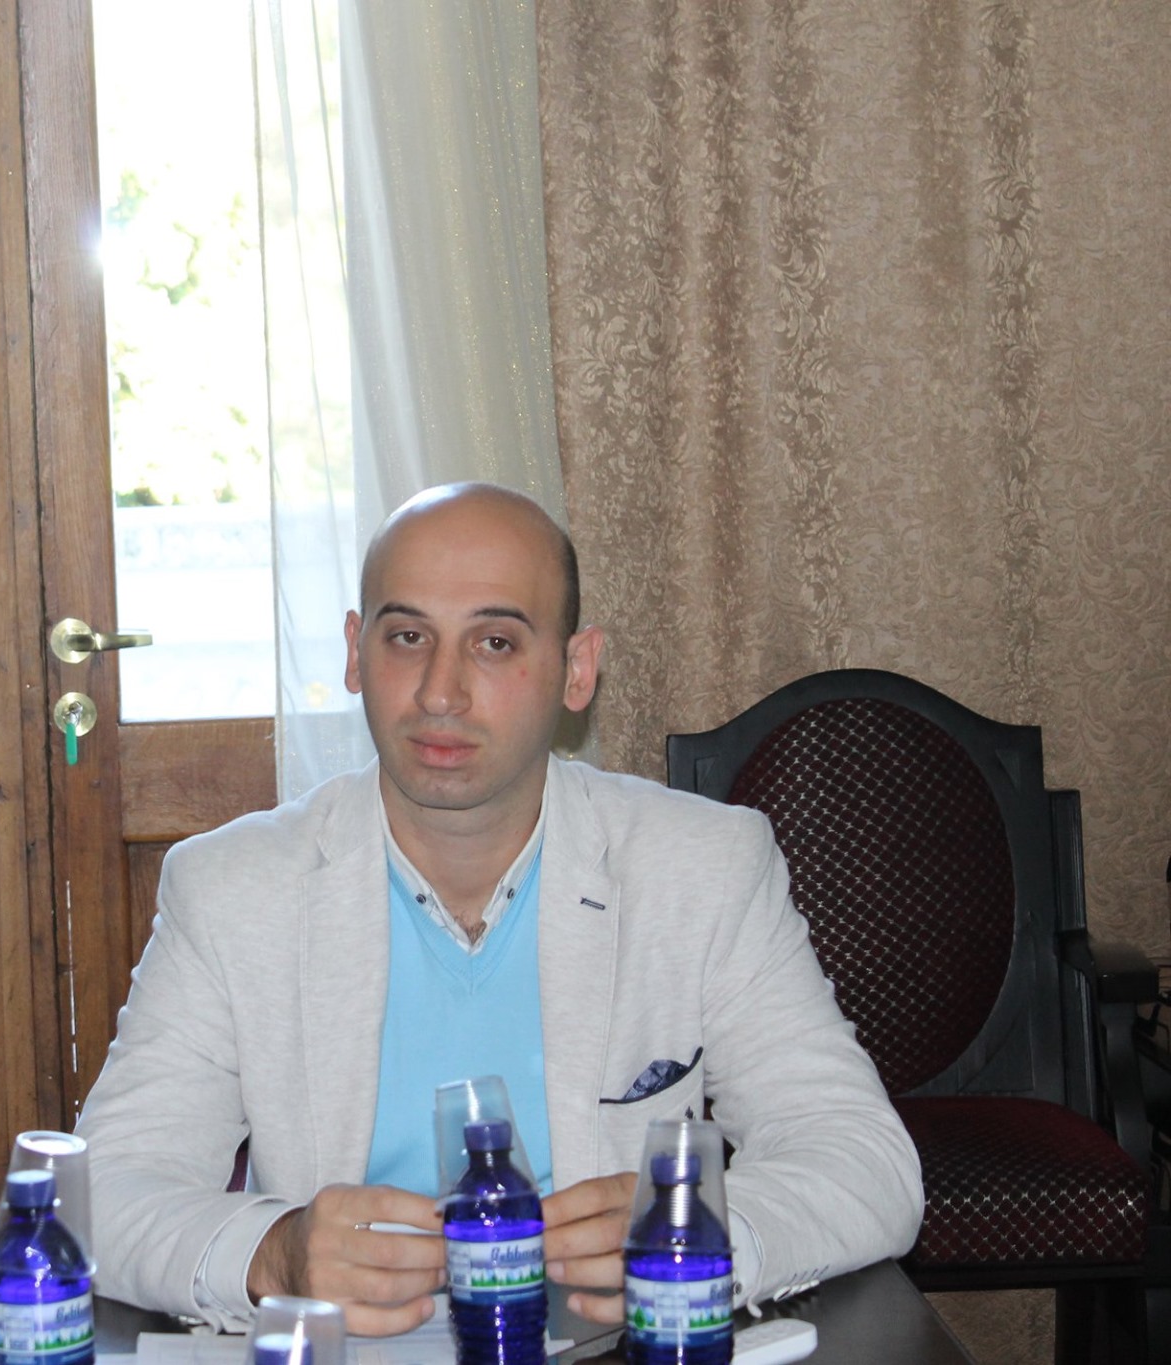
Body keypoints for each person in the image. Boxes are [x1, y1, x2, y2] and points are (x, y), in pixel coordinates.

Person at [75, 483, 922, 1335]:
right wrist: (271, 1253)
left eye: (494, 642)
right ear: (354, 652)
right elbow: (103, 1186)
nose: (440, 692)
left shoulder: (702, 869)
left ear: (577, 669)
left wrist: (697, 1234)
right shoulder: (233, 888)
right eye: (408, 637)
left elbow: (864, 1161)